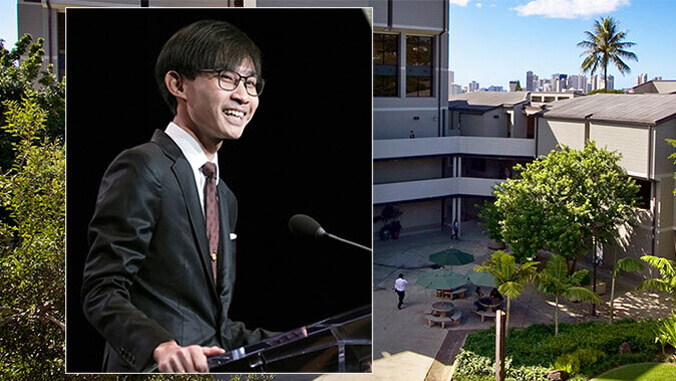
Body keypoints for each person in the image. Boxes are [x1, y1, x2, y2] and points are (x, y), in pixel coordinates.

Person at [81, 20, 272, 373]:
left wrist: (302, 340)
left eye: (251, 83)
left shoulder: (224, 195)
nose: (243, 96)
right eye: (226, 78)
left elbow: (212, 326)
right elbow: (101, 290)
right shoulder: (142, 166)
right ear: (177, 84)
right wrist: (161, 346)